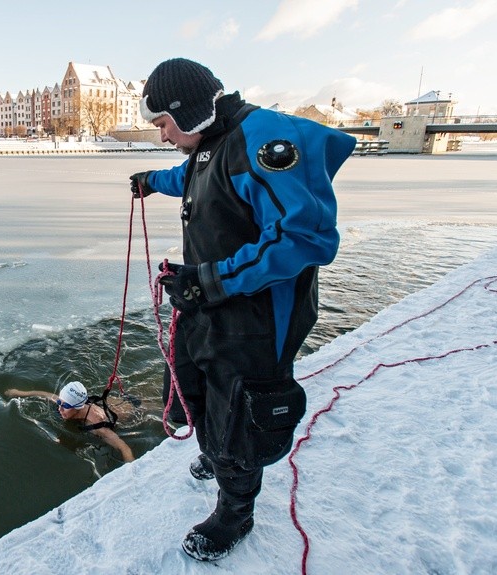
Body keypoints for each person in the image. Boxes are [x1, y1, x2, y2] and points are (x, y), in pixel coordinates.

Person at [129, 58, 356, 562]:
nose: (162, 137)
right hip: (212, 300)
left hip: (257, 315)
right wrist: (151, 180)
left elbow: (306, 237)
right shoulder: (211, 138)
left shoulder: (263, 136)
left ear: (185, 112)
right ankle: (216, 453)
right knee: (188, 382)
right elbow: (194, 174)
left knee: (238, 412)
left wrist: (209, 279)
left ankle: (236, 510)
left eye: (162, 124)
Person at [4, 381, 135, 462]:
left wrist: (129, 469)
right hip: (115, 402)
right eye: (60, 403)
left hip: (134, 408)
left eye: (65, 406)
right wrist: (19, 393)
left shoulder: (96, 425)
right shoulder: (69, 402)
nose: (59, 408)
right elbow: (46, 395)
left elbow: (123, 448)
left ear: (77, 407)